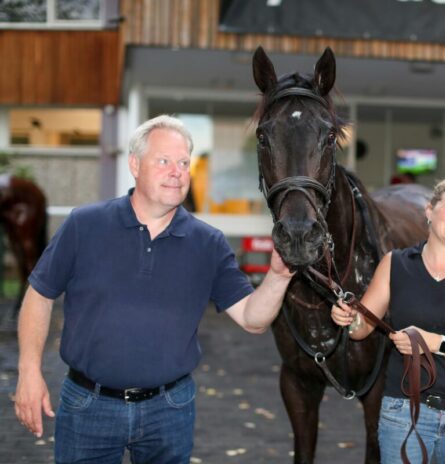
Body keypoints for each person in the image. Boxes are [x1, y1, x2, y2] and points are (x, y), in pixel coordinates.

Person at [14, 115, 294, 463]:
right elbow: (40, 294)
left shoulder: (208, 243)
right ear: (134, 165)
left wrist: (278, 276)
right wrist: (29, 371)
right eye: (164, 161)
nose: (177, 172)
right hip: (88, 405)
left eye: (183, 163)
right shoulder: (84, 225)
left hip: (170, 409)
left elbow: (253, 319)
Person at [331, 177, 445, 464]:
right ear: (429, 211)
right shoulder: (395, 264)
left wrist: (435, 343)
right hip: (404, 413)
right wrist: (348, 318)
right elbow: (363, 327)